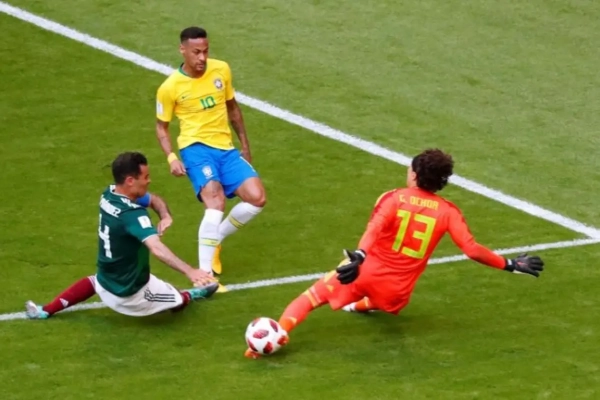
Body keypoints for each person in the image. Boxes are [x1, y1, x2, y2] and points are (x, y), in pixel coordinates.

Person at [244, 149, 545, 358]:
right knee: (381, 303)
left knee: (310, 298)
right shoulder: (448, 212)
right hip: (397, 290)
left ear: (414, 174)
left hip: (364, 272)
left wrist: (359, 255)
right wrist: (509, 264)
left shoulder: (394, 198)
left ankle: (278, 334)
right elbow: (472, 249)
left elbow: (374, 229)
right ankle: (360, 306)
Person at [25, 152, 218, 320]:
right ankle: (192, 295)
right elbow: (157, 248)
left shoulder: (108, 194)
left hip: (106, 278)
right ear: (130, 181)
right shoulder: (132, 215)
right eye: (145, 177)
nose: (149, 181)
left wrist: (165, 215)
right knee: (176, 300)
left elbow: (153, 199)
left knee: (93, 281)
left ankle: (45, 311)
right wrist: (190, 271)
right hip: (131, 292)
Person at [155, 26, 266, 289]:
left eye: (205, 51)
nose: (202, 58)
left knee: (257, 198)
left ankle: (216, 240)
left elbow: (233, 108)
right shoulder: (170, 87)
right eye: (196, 52)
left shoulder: (221, 70)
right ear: (182, 50)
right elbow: (161, 127)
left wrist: (245, 145)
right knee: (215, 201)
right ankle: (205, 277)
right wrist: (171, 157)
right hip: (195, 149)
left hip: (225, 149)